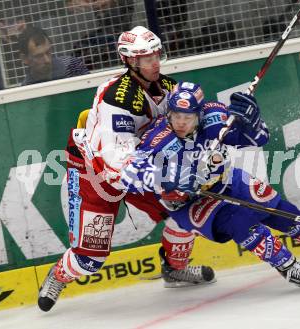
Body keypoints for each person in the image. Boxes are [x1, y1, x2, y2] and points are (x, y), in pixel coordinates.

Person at [37, 26, 216, 313]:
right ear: (131, 62)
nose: (155, 62)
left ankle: (174, 269)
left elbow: (194, 124)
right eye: (147, 58)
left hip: (142, 171)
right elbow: (116, 160)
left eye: (157, 55)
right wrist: (163, 179)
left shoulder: (170, 88)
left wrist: (227, 121)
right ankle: (57, 275)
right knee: (89, 260)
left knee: (188, 211)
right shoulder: (117, 97)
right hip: (96, 174)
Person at [120, 81, 300, 288]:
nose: (181, 122)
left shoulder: (215, 117)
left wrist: (251, 120)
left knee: (280, 210)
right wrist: (163, 178)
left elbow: (258, 138)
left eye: (187, 117)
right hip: (190, 203)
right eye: (175, 116)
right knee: (242, 225)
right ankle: (287, 266)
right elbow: (128, 175)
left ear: (200, 114)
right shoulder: (157, 138)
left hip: (227, 181)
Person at [18, 26, 89, 85]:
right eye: (39, 56)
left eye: (48, 52)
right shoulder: (26, 89)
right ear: (25, 59)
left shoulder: (72, 65)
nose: (47, 60)